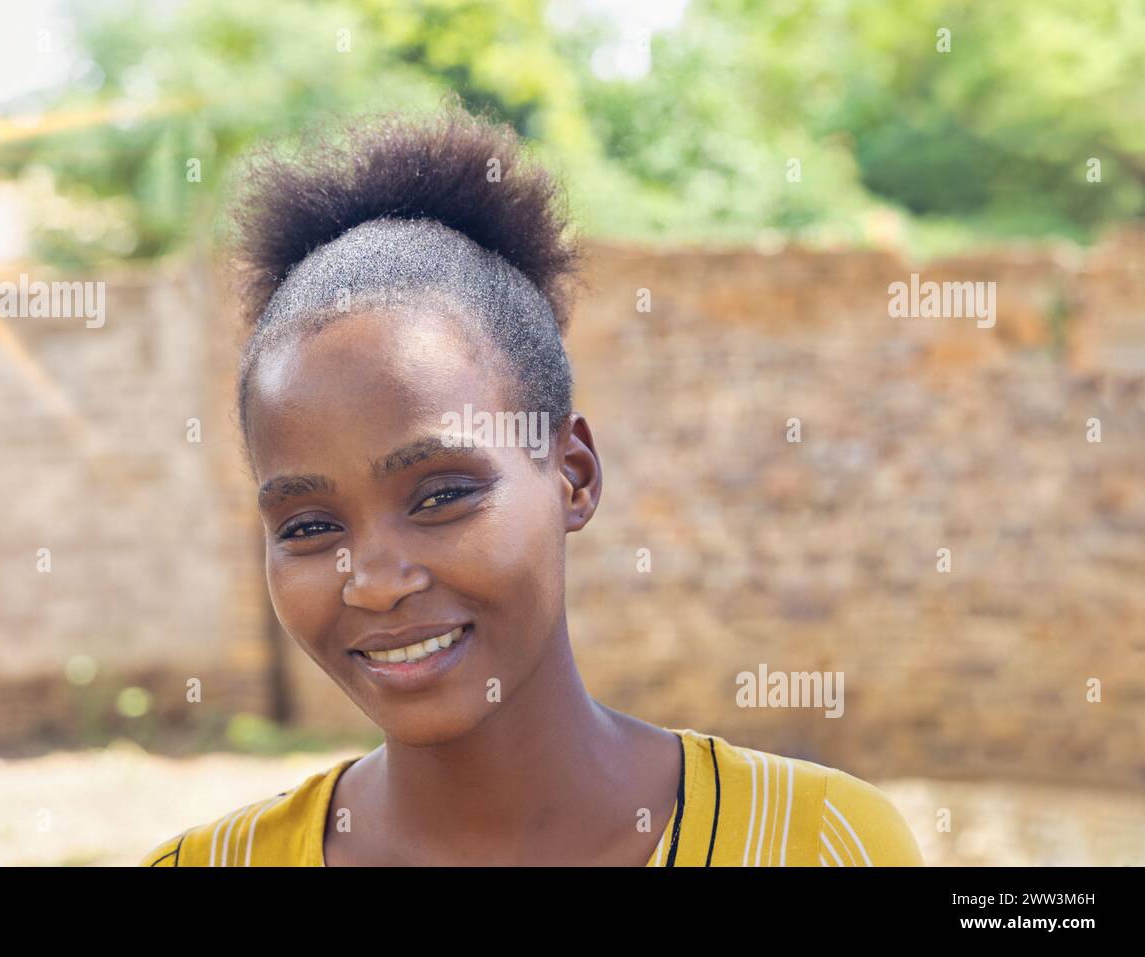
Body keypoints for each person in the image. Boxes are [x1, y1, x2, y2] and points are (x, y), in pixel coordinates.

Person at [140, 96, 923, 867]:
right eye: (310, 526)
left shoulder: (820, 842)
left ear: (573, 475)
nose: (374, 582)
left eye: (442, 495)